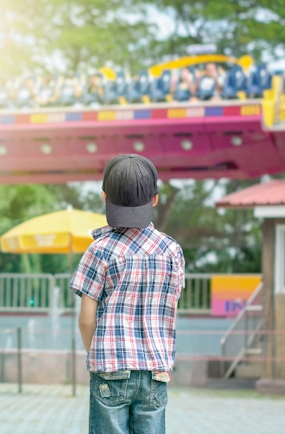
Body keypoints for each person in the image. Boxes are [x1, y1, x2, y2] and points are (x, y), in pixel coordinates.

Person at [69, 154, 185, 434]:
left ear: (104, 196)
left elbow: (86, 320)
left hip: (110, 368)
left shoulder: (100, 250)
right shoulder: (172, 251)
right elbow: (171, 312)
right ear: (154, 200)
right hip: (155, 370)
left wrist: (99, 353)